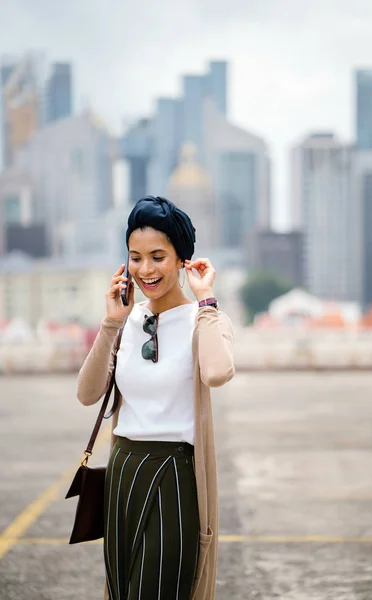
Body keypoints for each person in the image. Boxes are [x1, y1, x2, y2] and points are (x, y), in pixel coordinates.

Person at [77, 195, 235, 600]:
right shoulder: (127, 320)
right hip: (123, 470)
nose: (145, 269)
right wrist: (111, 323)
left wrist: (206, 300)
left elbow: (217, 373)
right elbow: (87, 394)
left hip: (175, 474)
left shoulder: (205, 318)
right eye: (135, 257)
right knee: (123, 590)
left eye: (158, 256)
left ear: (184, 259)